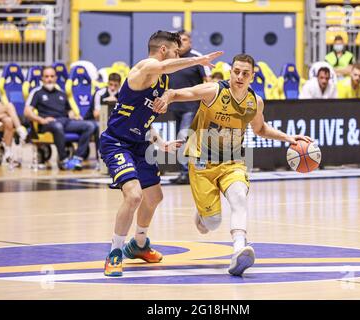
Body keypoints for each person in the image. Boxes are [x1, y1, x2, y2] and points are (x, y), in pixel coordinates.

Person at [153, 54, 312, 276]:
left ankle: (239, 249)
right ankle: (202, 215)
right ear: (231, 72)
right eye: (236, 71)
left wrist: (289, 138)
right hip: (202, 162)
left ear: (252, 77)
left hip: (232, 161)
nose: (239, 76)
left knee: (239, 197)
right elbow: (183, 93)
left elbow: (261, 129)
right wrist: (168, 96)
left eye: (245, 73)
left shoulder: (254, 102)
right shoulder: (214, 91)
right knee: (212, 223)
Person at [99, 30, 222, 277]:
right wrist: (197, 60)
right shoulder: (145, 68)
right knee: (133, 196)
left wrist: (161, 142)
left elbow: (144, 120)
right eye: (177, 52)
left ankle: (140, 244)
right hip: (117, 143)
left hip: (140, 142)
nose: (179, 55)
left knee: (154, 197)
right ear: (164, 50)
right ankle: (115, 252)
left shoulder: (161, 84)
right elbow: (165, 65)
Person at [24, 66, 96, 170]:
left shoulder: (61, 93)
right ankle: (63, 160)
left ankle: (77, 158)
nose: (49, 79)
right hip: (47, 124)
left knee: (89, 125)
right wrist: (41, 120)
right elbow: (27, 112)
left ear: (56, 78)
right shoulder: (37, 92)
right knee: (57, 126)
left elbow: (69, 110)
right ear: (42, 78)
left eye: (52, 76)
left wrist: (75, 116)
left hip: (65, 121)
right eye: (46, 76)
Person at [168, 30, 211, 185]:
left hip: (192, 107)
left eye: (185, 40)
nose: (182, 42)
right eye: (179, 40)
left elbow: (209, 81)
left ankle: (186, 173)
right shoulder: (172, 58)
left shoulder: (197, 57)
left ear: (190, 42)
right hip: (175, 107)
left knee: (183, 137)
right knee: (181, 140)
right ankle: (187, 172)